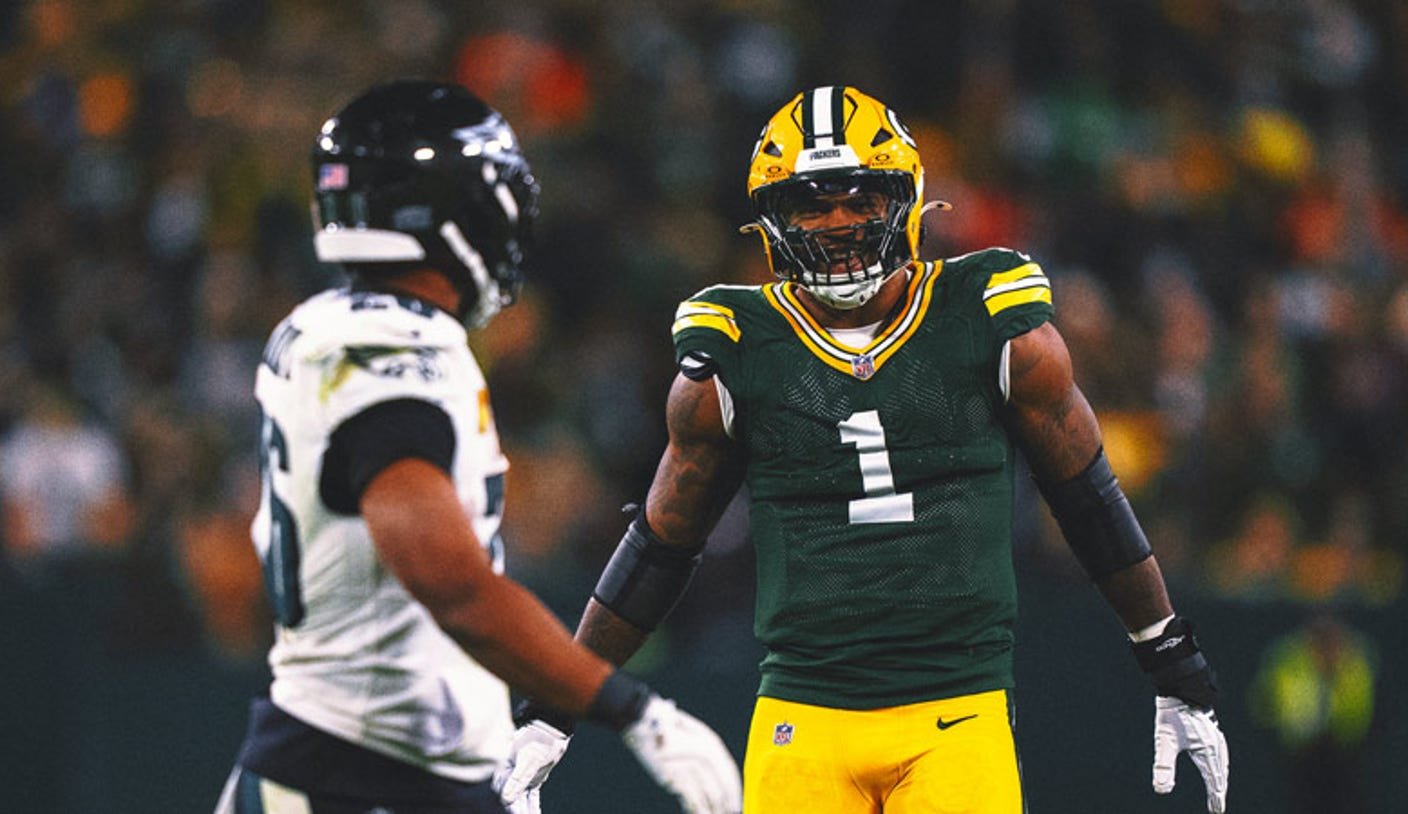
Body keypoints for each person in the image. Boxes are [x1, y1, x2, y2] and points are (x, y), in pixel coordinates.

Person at [497, 86, 1229, 813]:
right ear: (773, 221)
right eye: (811, 206)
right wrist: (557, 703)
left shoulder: (990, 319)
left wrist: (1167, 651)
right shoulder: (735, 348)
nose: (839, 223)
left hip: (957, 709)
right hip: (803, 716)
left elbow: (1088, 499)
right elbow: (662, 543)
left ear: (905, 200)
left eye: (861, 200)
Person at [215, 80, 741, 814]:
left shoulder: (323, 325)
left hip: (368, 759)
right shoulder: (392, 350)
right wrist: (632, 710)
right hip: (356, 777)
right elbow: (450, 582)